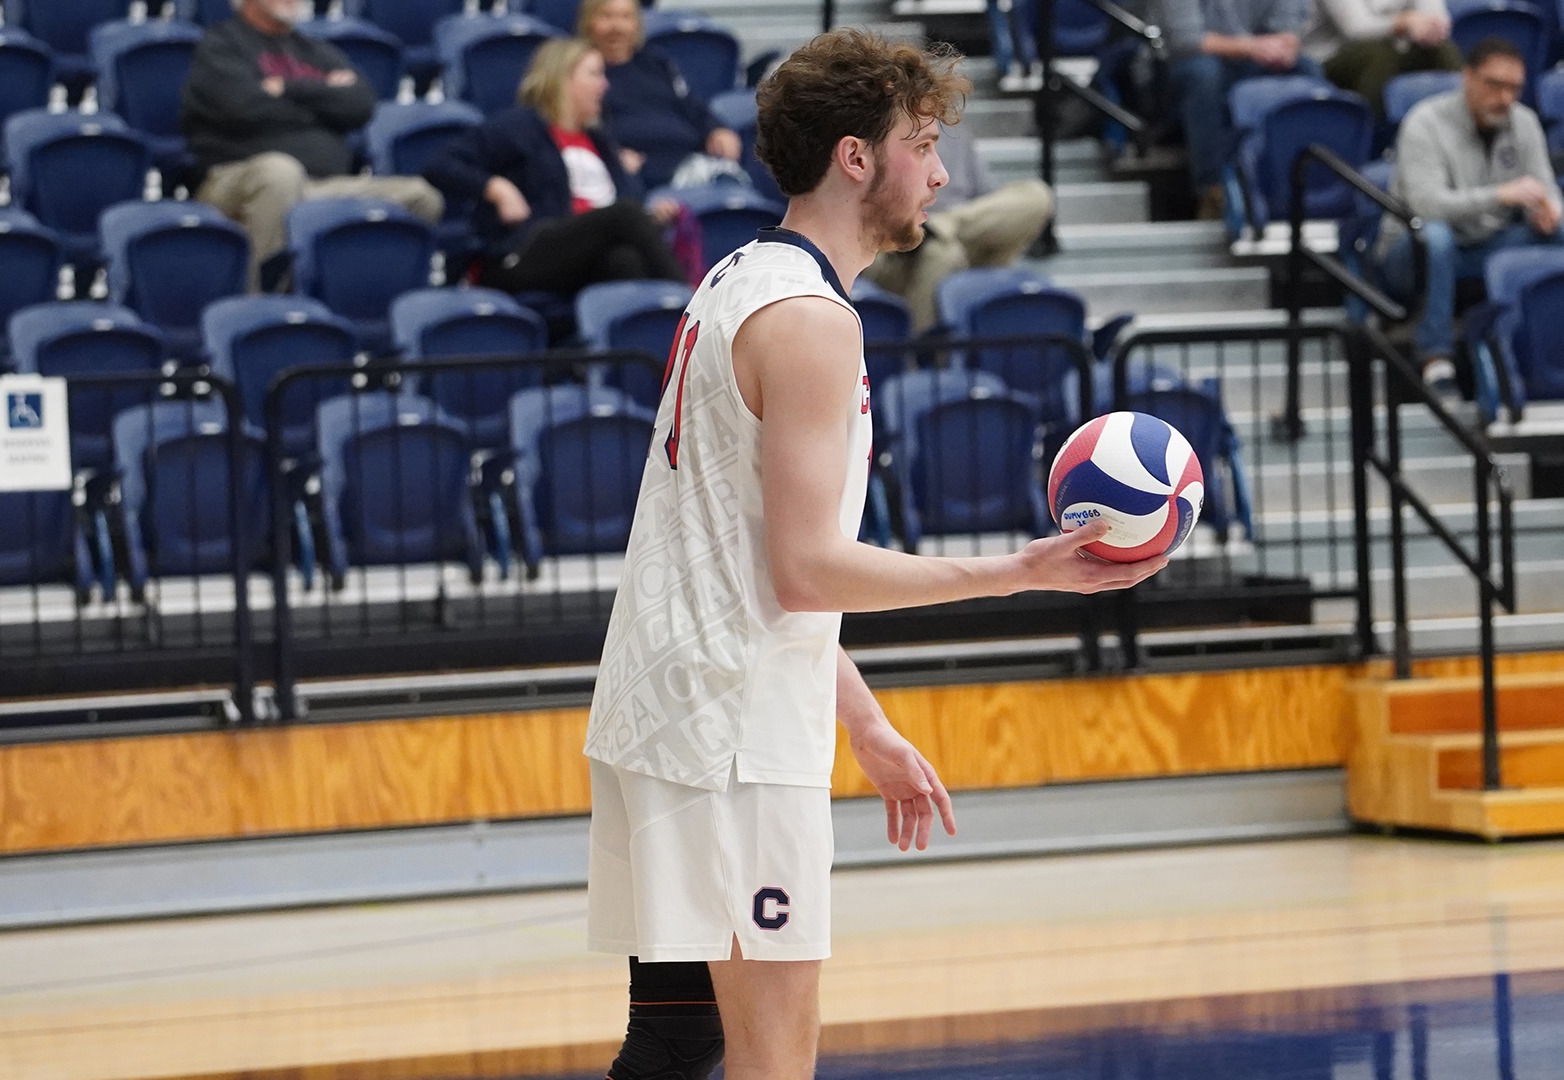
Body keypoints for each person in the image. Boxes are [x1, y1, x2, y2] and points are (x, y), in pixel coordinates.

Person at [582, 28, 1166, 1080]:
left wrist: (865, 721)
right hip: (729, 738)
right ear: (856, 156)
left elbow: (749, 561)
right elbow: (807, 569)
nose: (941, 172)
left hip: (668, 711)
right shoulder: (810, 320)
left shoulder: (737, 277)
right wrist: (1016, 569)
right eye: (923, 142)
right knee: (770, 1061)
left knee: (676, 1043)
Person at [1377, 36, 1564, 387]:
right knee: (1435, 236)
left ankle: (1561, 347)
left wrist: (1549, 211)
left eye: (1514, 88)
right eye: (1494, 85)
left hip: (1485, 244)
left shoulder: (1523, 122)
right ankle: (1436, 357)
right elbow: (1427, 206)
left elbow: (1546, 187)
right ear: (1468, 77)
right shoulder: (1424, 122)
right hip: (1413, 254)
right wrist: (1501, 195)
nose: (1505, 98)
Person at [181, 0, 444, 290]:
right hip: (235, 181)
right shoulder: (221, 45)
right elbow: (242, 108)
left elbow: (360, 104)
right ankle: (260, 308)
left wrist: (288, 89)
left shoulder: (314, 50)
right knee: (280, 172)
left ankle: (368, 304)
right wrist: (324, 102)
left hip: (320, 184)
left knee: (421, 197)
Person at [423, 37, 685, 296]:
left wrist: (653, 216)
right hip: (522, 251)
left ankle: (635, 332)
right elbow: (440, 165)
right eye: (594, 74)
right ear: (562, 79)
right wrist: (497, 188)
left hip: (584, 253)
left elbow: (631, 200)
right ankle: (691, 305)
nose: (605, 85)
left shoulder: (601, 141)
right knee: (625, 214)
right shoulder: (519, 125)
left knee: (624, 261)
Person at [862, 118, 1054, 330]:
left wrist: (947, 225)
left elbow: (989, 203)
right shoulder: (882, 129)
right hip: (898, 249)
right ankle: (927, 358)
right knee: (942, 253)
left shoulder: (956, 132)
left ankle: (940, 227)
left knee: (1037, 195)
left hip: (961, 232)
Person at [1152, 0, 1323, 220]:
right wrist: (1254, 47)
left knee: (1307, 68)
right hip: (1189, 66)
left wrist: (1282, 48)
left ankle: (1315, 179)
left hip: (1252, 60)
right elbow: (1186, 39)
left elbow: (1287, 31)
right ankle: (1213, 190)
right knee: (1204, 75)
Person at [581, 0, 745, 191]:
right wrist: (610, 155)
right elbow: (580, 125)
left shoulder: (656, 63)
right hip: (640, 172)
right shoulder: (583, 72)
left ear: (636, 24)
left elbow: (689, 104)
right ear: (588, 22)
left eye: (625, 17)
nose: (616, 27)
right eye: (607, 16)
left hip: (690, 157)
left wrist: (716, 129)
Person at [1305, 0, 1461, 117]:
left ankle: (1467, 120)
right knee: (1379, 53)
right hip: (1331, 55)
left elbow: (1438, 17)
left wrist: (1432, 26)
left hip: (1396, 49)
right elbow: (1357, 28)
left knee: (1439, 46)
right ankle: (1372, 136)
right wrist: (1405, 22)